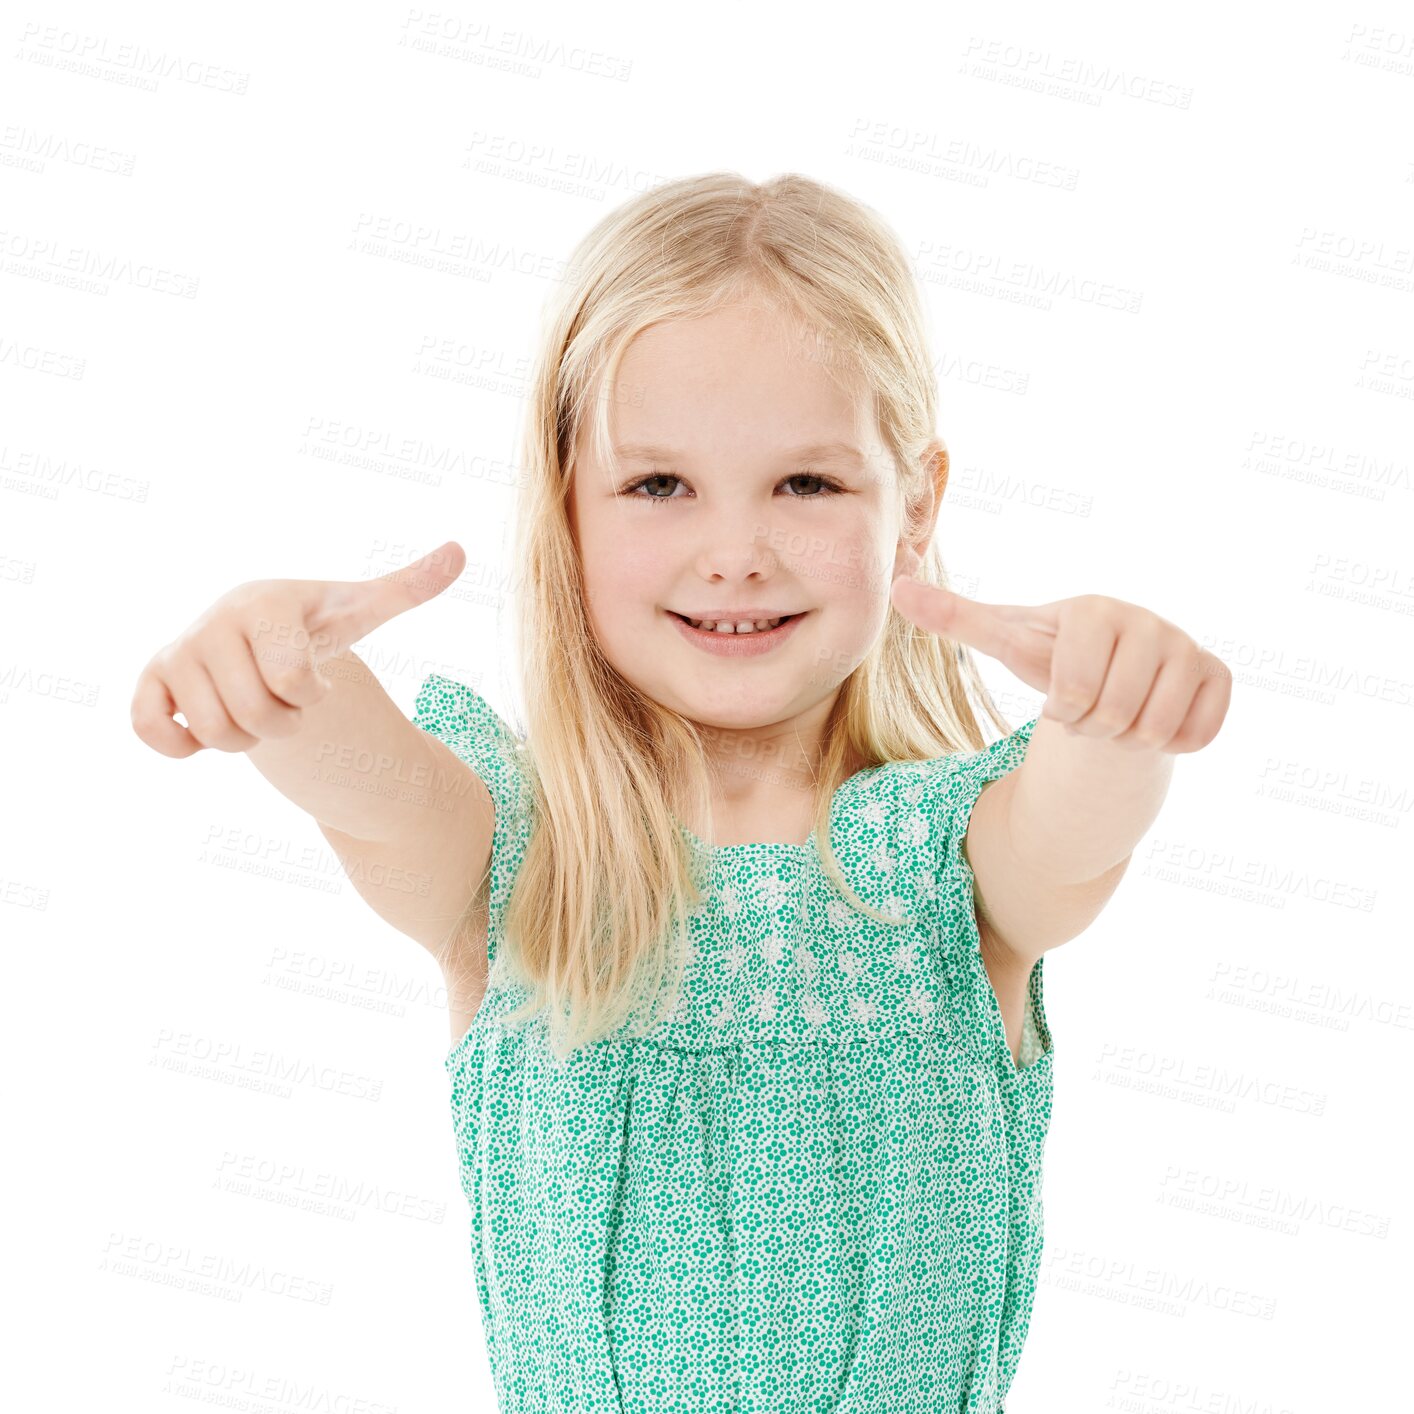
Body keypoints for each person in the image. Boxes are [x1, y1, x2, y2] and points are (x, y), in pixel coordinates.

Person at [131, 171, 1232, 1413]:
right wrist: (275, 673)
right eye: (659, 485)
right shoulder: (521, 859)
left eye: (805, 484)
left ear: (913, 505)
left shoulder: (944, 864)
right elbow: (371, 784)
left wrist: (1113, 714)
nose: (735, 551)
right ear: (567, 507)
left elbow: (1072, 830)